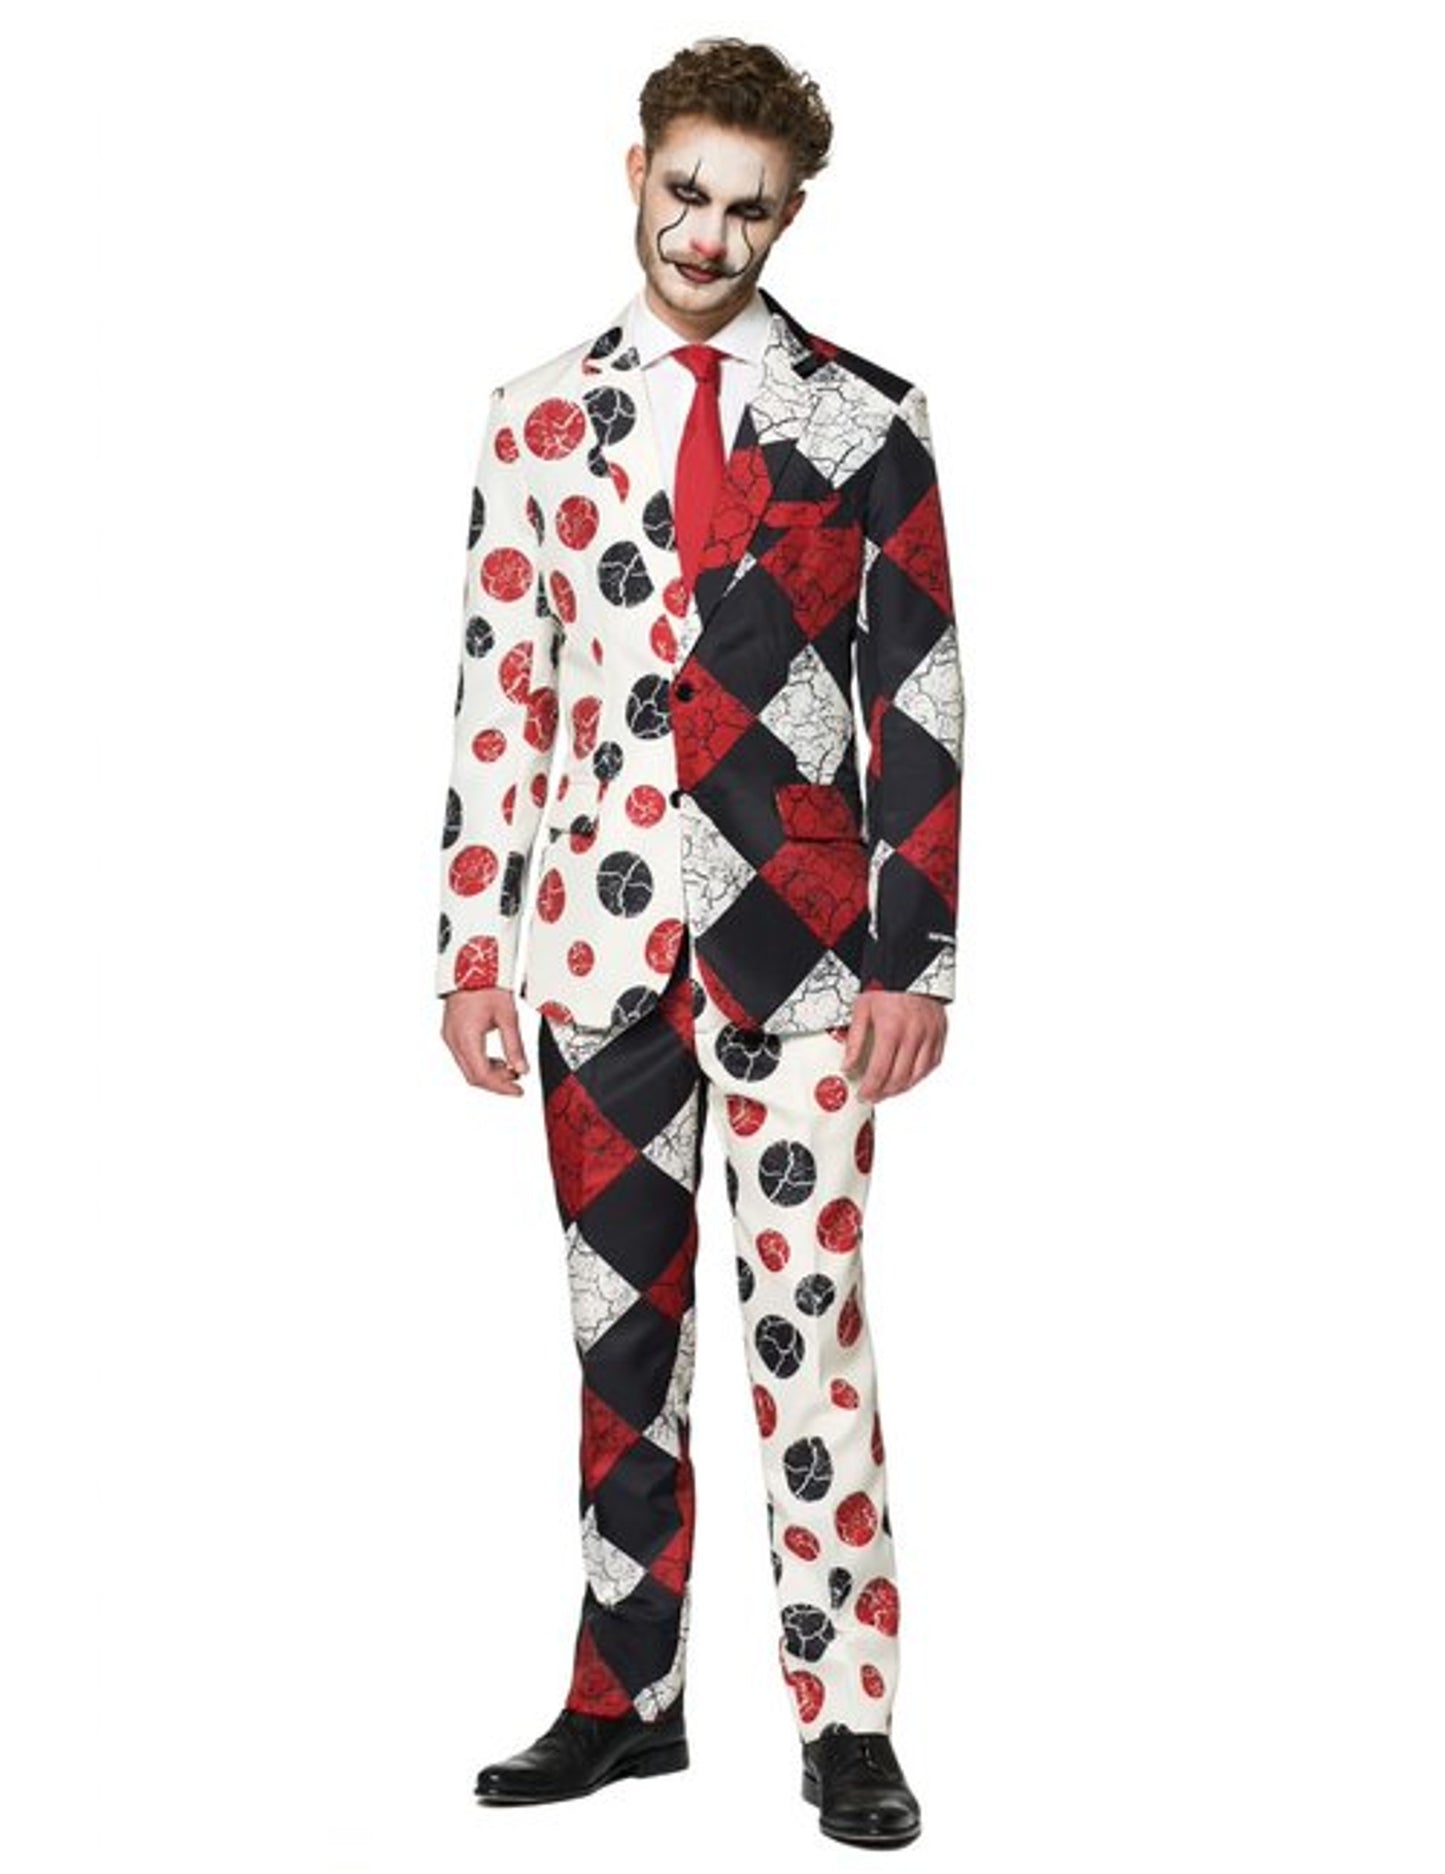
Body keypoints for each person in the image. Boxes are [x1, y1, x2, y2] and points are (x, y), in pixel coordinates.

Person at [435, 36, 964, 1850]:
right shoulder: (536, 418)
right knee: (619, 1346)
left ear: (787, 216)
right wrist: (472, 948)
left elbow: (915, 696)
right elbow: (501, 693)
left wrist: (914, 958)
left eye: (748, 208)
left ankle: (848, 1718)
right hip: (591, 950)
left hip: (806, 959)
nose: (708, 233)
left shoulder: (866, 419)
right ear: (638, 174)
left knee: (810, 1336)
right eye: (686, 191)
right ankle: (623, 1698)